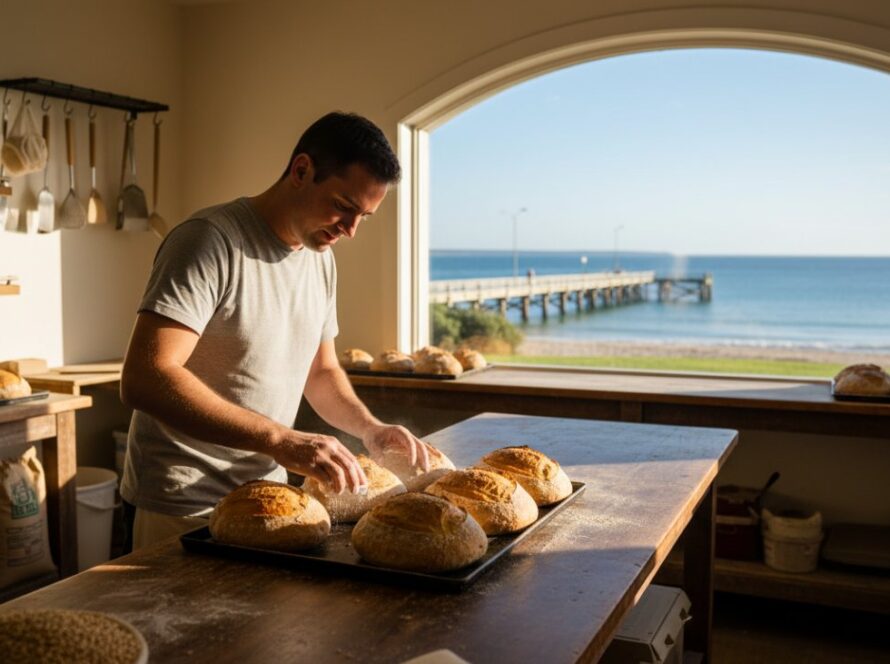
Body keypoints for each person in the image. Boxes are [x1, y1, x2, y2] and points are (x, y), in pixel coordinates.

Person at [119, 112, 430, 548]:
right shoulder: (209, 241)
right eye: (344, 206)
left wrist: (369, 428)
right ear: (301, 171)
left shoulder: (320, 258)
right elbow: (145, 378)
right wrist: (279, 439)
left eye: (364, 216)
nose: (351, 229)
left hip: (269, 500)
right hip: (183, 506)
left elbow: (320, 372)